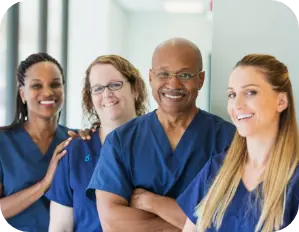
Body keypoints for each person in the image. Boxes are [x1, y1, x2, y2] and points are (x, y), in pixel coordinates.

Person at [86, 38, 236, 231]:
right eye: (164, 73)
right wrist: (190, 227)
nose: (173, 84)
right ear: (150, 77)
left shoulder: (228, 139)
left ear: (201, 79)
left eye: (185, 74)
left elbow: (230, 219)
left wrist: (152, 202)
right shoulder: (121, 141)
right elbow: (112, 222)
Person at [178, 54, 299, 232]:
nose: (237, 104)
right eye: (232, 94)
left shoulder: (294, 179)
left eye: (250, 92)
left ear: (281, 101)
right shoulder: (216, 169)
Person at [45, 55, 148, 232]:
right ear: (90, 99)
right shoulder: (73, 152)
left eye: (115, 85)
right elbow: (60, 227)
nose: (107, 94)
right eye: (98, 89)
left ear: (135, 89)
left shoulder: (159, 145)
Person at [0, 53, 75, 232]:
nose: (48, 92)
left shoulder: (75, 141)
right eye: (36, 85)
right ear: (22, 93)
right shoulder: (3, 142)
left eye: (55, 84)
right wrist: (44, 184)